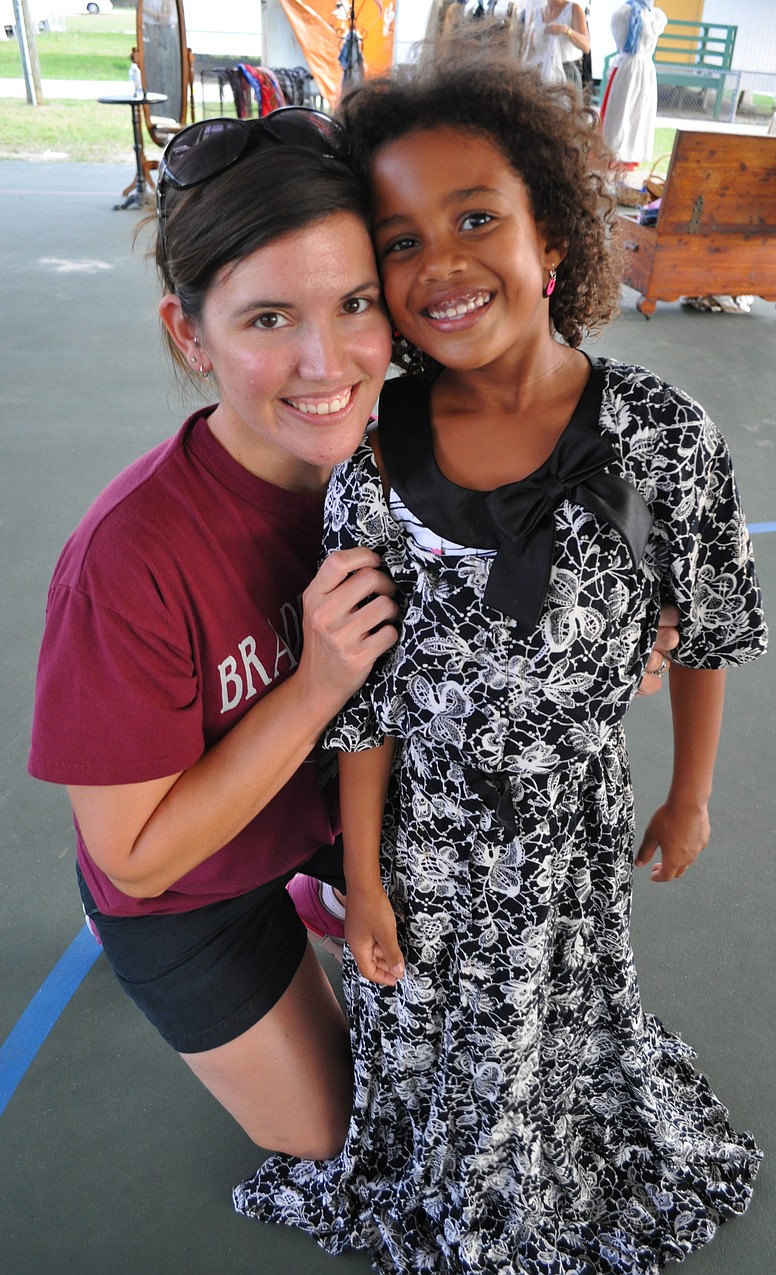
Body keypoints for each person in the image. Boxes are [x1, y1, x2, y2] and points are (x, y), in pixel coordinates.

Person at [27, 104, 674, 1166]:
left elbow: (598, 448)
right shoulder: (127, 561)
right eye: (267, 319)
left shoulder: (412, 428)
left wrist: (639, 602)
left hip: (352, 798)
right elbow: (140, 861)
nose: (328, 365)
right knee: (343, 1136)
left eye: (355, 304)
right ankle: (282, 898)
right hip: (189, 878)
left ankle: (324, 877)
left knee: (495, 1038)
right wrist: (317, 681)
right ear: (189, 333)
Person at [234, 32, 767, 1274]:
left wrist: (691, 794)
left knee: (549, 1021)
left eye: (477, 217)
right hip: (423, 833)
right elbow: (360, 701)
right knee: (427, 1023)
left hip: (574, 820)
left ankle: (544, 1163)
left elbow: (714, 622)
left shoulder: (659, 435)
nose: (443, 262)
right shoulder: (372, 452)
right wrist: (361, 878)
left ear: (557, 239)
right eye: (401, 240)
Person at [600, 0, 668, 168]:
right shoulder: (624, 13)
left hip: (644, 69)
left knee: (639, 112)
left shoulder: (656, 16)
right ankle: (613, 152)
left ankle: (631, 154)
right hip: (628, 68)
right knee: (620, 111)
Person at [522, 0, 590, 93]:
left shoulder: (574, 9)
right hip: (539, 74)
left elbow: (586, 46)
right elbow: (526, 50)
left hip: (565, 72)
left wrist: (566, 31)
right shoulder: (535, 14)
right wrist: (528, 39)